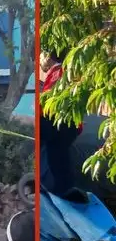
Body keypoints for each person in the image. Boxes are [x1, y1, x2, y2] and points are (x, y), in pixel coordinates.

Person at [40, 49, 83, 197]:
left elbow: (48, 102)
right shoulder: (72, 71)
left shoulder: (59, 72)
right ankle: (63, 189)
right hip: (69, 124)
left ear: (49, 57)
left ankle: (52, 188)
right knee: (60, 157)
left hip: (58, 123)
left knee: (55, 157)